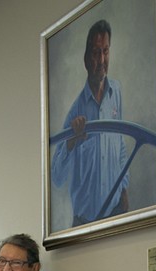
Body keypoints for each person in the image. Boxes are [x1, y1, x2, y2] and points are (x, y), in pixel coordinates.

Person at [51, 19, 129, 226]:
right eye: (96, 53)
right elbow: (57, 177)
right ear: (86, 59)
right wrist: (71, 142)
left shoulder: (117, 93)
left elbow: (120, 145)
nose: (102, 60)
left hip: (116, 212)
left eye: (106, 51)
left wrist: (124, 189)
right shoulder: (75, 112)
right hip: (85, 225)